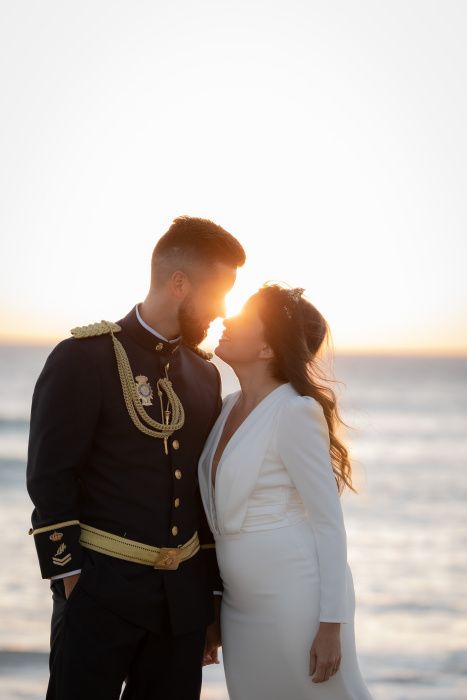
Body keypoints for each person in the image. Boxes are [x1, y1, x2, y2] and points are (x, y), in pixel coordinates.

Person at [26, 215, 245, 700]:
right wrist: (69, 578)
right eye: (217, 293)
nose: (221, 310)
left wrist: (208, 597)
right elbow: (50, 474)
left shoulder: (204, 375)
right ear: (179, 283)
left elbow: (200, 490)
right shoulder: (83, 357)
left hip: (180, 604)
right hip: (99, 592)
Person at [198, 283, 373, 700]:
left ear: (267, 350)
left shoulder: (296, 411)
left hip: (297, 601)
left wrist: (332, 624)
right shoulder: (227, 406)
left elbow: (329, 524)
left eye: (243, 319)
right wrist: (214, 606)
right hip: (241, 608)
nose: (226, 319)